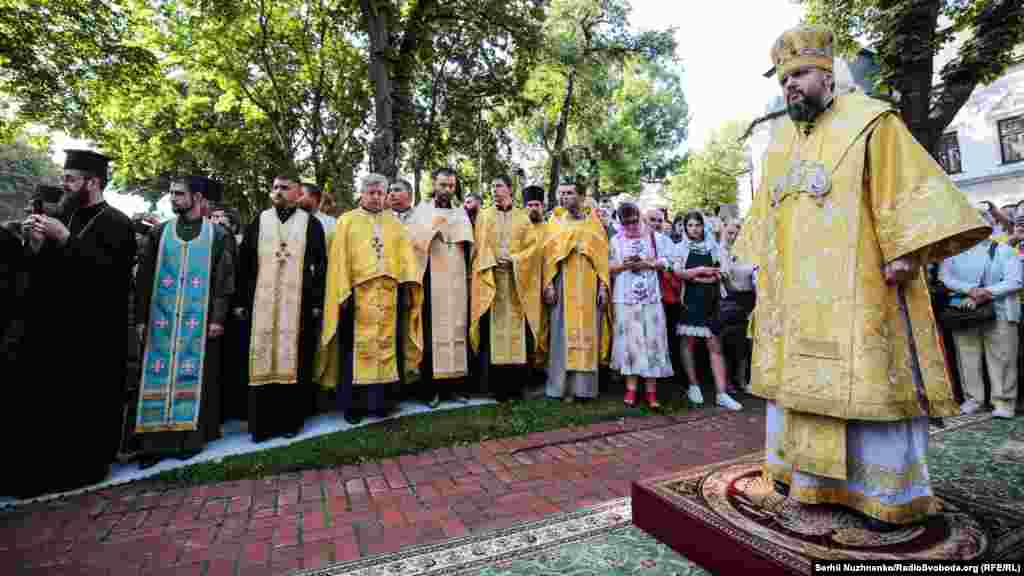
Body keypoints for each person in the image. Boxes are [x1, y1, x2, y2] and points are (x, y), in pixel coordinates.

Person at [734, 25, 989, 531]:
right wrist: (757, 263)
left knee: (870, 383)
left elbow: (907, 187)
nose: (791, 86)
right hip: (796, 296)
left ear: (829, 76)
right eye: (785, 79)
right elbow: (764, 217)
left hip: (862, 287)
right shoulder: (781, 143)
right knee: (799, 384)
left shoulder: (871, 121)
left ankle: (883, 494)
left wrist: (906, 250)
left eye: (801, 74)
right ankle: (803, 478)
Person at [14, 150, 137, 498]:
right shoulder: (62, 215)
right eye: (63, 178)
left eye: (70, 179)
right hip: (55, 330)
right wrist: (35, 244)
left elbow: (110, 278)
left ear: (92, 182)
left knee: (85, 408)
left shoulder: (117, 222)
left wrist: (66, 239)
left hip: (94, 334)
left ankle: (85, 470)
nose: (64, 184)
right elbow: (42, 274)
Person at [133, 176, 236, 467]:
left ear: (197, 198)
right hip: (161, 320)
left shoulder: (217, 235)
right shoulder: (160, 232)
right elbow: (144, 276)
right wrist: (140, 318)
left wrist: (218, 318)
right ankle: (151, 444)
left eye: (179, 194)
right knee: (154, 376)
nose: (173, 198)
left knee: (194, 376)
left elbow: (224, 280)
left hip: (197, 319)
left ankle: (188, 440)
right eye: (172, 193)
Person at [318, 174, 422, 424]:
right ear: (362, 194)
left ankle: (383, 403)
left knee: (387, 347)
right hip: (357, 296)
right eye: (371, 193)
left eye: (380, 193)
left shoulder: (394, 223)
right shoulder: (347, 220)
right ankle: (353, 406)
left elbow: (406, 257)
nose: (376, 197)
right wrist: (342, 292)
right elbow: (339, 259)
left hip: (389, 295)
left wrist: (407, 287)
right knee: (355, 350)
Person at [236, 172, 327, 442]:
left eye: (285, 188)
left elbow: (321, 265)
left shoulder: (311, 224)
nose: (278, 192)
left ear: (298, 193)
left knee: (294, 360)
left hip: (298, 305)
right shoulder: (259, 220)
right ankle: (261, 425)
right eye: (275, 187)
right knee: (260, 357)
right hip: (261, 303)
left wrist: (317, 302)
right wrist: (240, 301)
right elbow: (245, 263)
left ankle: (290, 422)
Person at [469, 175, 544, 402]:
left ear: (510, 189)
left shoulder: (522, 218)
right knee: (493, 335)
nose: (495, 189)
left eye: (499, 186)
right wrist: (491, 259)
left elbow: (533, 249)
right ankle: (496, 388)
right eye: (492, 186)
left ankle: (516, 387)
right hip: (492, 282)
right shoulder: (484, 216)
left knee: (516, 335)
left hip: (516, 284)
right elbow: (478, 247)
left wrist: (515, 259)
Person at [406, 168, 475, 407]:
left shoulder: (460, 212)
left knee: (457, 330)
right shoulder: (422, 211)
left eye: (451, 186)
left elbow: (469, 245)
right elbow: (412, 241)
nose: (447, 190)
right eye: (443, 185)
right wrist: (431, 231)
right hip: (431, 279)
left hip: (456, 281)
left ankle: (455, 387)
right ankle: (431, 391)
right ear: (434, 184)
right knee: (432, 334)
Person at [940, 220, 1021, 419]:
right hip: (964, 311)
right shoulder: (952, 253)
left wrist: (985, 293)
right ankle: (973, 400)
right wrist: (970, 290)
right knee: (967, 356)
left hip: (1001, 311)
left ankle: (1003, 402)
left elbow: (1015, 281)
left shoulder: (1004, 250)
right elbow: (944, 277)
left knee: (1003, 357)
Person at [542, 178, 610, 403]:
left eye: (569, 193)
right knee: (562, 336)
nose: (564, 197)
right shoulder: (555, 223)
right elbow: (547, 256)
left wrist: (603, 287)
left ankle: (584, 389)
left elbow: (602, 258)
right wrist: (548, 285)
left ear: (581, 196)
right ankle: (561, 388)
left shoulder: (594, 224)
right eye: (561, 193)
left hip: (589, 285)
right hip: (563, 283)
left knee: (587, 334)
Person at [609, 202, 675, 408]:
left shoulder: (655, 238)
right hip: (625, 298)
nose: (631, 226)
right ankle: (631, 389)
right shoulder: (615, 240)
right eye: (626, 223)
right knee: (630, 343)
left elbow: (670, 260)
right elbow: (609, 266)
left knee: (651, 341)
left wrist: (647, 263)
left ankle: (651, 391)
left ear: (640, 217)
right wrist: (624, 265)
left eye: (634, 221)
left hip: (650, 298)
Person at [675, 210, 742, 411]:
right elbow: (678, 273)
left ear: (704, 226)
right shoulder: (680, 248)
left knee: (715, 345)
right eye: (690, 225)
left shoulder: (714, 247)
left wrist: (703, 277)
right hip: (690, 301)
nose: (694, 229)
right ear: (685, 228)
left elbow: (723, 271)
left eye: (697, 225)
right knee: (688, 342)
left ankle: (721, 393)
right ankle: (693, 385)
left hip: (711, 302)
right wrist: (701, 271)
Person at [718, 220, 756, 394]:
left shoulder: (751, 250)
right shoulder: (721, 251)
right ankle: (726, 382)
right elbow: (725, 277)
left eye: (738, 234)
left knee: (745, 344)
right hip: (730, 299)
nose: (734, 237)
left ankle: (742, 380)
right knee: (728, 343)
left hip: (749, 298)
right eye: (730, 233)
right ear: (724, 232)